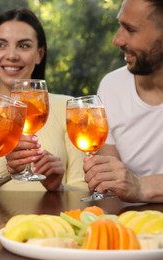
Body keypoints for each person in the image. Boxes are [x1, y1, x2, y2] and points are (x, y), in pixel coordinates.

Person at [0, 8, 88, 192]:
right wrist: (12, 169)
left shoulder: (66, 107)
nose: (12, 55)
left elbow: (84, 190)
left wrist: (58, 187)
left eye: (24, 46)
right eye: (1, 45)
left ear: (40, 54)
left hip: (50, 221)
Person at [84, 0, 163, 203]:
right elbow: (110, 185)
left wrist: (140, 186)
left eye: (130, 29)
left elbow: (129, 187)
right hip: (133, 224)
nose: (117, 40)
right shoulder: (112, 86)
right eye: (120, 25)